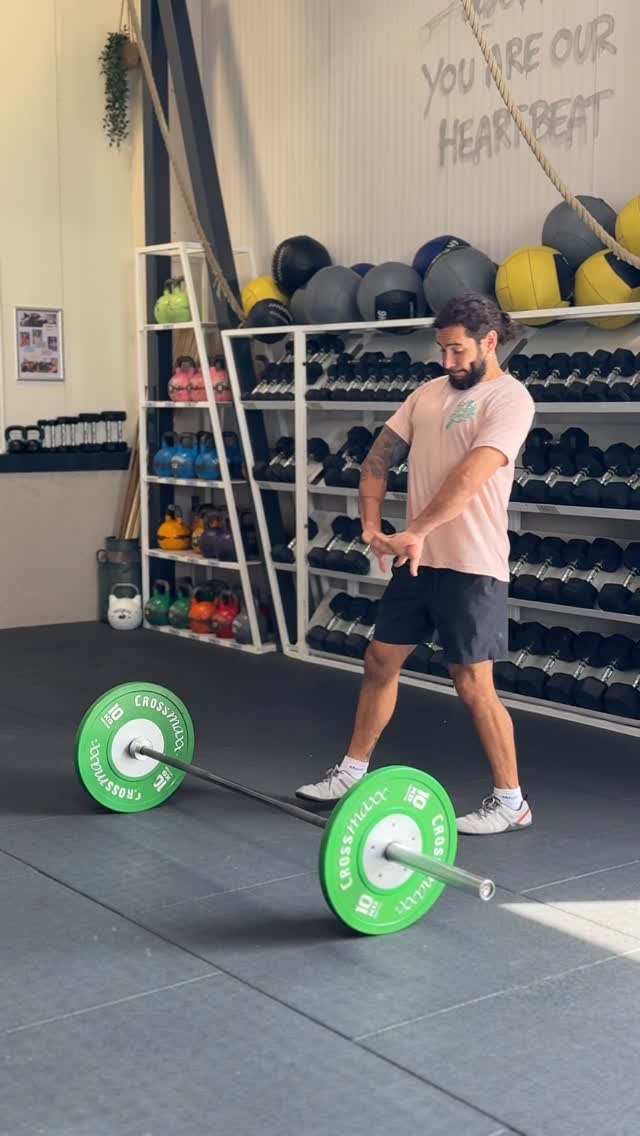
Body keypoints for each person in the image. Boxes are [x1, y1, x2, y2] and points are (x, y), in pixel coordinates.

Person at [296, 293, 536, 835]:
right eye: (442, 350)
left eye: (457, 350)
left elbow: (473, 476)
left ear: (489, 342)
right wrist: (372, 526)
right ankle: (352, 772)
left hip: (472, 563)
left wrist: (415, 532)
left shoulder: (511, 399)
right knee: (380, 661)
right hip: (416, 559)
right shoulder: (426, 394)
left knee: (473, 684)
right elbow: (379, 457)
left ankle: (511, 801)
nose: (448, 362)